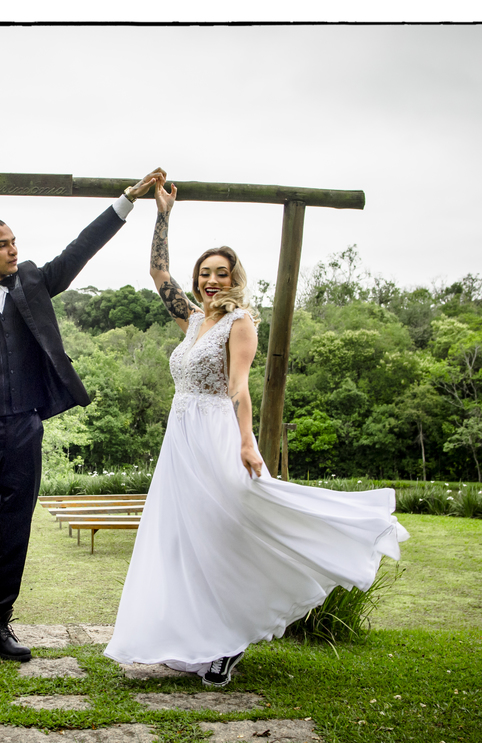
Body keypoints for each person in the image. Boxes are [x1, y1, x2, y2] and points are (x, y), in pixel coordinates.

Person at [103, 179, 410, 686]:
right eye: (204, 273)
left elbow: (240, 389)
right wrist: (162, 213)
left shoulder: (239, 322)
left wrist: (247, 443)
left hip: (216, 436)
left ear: (235, 277)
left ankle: (230, 642)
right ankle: (197, 636)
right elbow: (158, 271)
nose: (210, 281)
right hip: (179, 443)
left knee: (227, 533)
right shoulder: (193, 319)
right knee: (185, 541)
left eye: (220, 273)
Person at [0, 167, 168, 674]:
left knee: (16, 530)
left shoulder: (32, 282)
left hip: (26, 428)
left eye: (14, 242)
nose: (12, 250)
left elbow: (79, 249)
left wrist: (128, 200)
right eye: (3, 244)